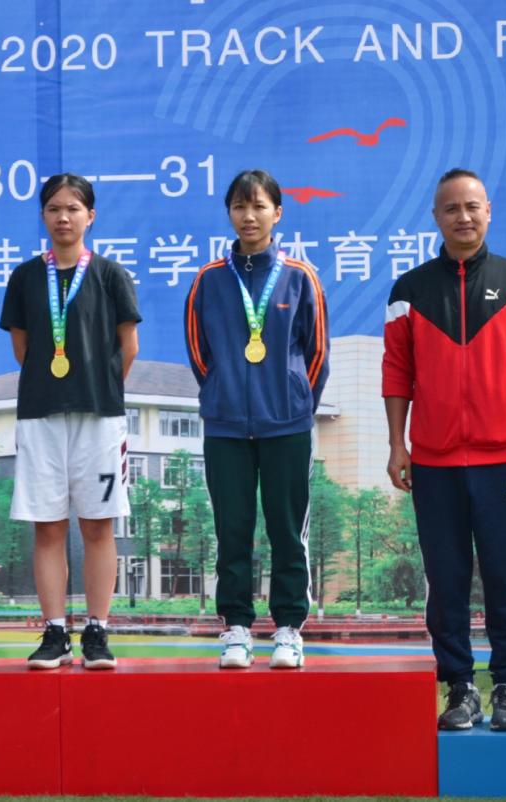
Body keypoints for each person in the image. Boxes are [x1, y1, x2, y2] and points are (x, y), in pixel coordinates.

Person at [383, 168, 506, 731]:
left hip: (503, 456)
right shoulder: (409, 290)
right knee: (446, 580)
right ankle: (460, 686)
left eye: (472, 206)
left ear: (488, 212)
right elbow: (397, 372)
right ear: (436, 217)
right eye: (452, 208)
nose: (463, 216)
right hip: (433, 460)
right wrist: (398, 444)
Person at [184, 169, 329, 670]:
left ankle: (288, 629)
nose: (249, 216)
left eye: (259, 206)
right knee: (232, 530)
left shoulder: (300, 277)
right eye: (239, 206)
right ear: (229, 213)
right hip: (226, 426)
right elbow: (199, 353)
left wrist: (294, 402)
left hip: (287, 425)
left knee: (288, 531)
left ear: (277, 213)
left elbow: (317, 352)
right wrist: (223, 393)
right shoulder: (209, 280)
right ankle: (237, 629)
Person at [0, 173, 140, 670]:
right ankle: (56, 631)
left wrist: (95, 387)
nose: (63, 217)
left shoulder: (110, 275)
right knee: (48, 527)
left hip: (99, 418)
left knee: (99, 526)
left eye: (73, 208)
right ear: (43, 215)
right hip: (40, 416)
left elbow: (128, 347)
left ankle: (97, 630)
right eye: (54, 208)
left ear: (90, 216)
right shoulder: (24, 277)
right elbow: (22, 348)